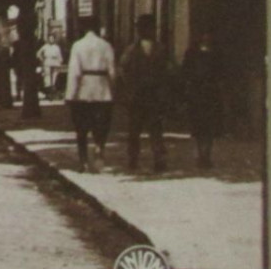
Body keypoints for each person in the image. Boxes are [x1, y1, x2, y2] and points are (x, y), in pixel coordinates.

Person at [118, 13, 173, 173]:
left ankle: (148, 159)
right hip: (144, 95)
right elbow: (169, 71)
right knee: (148, 128)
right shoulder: (159, 49)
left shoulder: (133, 50)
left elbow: (122, 71)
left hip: (147, 95)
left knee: (142, 129)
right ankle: (143, 158)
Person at [66, 15, 115, 172]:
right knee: (101, 125)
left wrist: (70, 95)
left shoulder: (78, 46)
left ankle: (84, 161)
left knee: (81, 128)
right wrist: (113, 90)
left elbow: (74, 73)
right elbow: (112, 72)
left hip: (84, 91)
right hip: (102, 90)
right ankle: (99, 148)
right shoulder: (106, 46)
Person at [180, 31, 223, 169]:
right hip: (196, 93)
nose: (206, 36)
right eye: (203, 34)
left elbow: (221, 73)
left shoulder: (216, 53)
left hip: (211, 93)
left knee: (210, 125)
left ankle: (207, 155)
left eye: (208, 34)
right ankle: (200, 153)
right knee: (198, 125)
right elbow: (185, 71)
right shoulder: (191, 53)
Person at [37, 35, 65, 101]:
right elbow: (38, 53)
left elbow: (59, 56)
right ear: (48, 39)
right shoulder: (45, 46)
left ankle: (54, 93)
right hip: (47, 62)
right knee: (47, 78)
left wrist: (60, 62)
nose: (51, 40)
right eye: (50, 38)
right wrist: (42, 59)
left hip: (55, 62)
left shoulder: (56, 47)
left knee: (55, 77)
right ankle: (48, 94)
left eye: (52, 38)